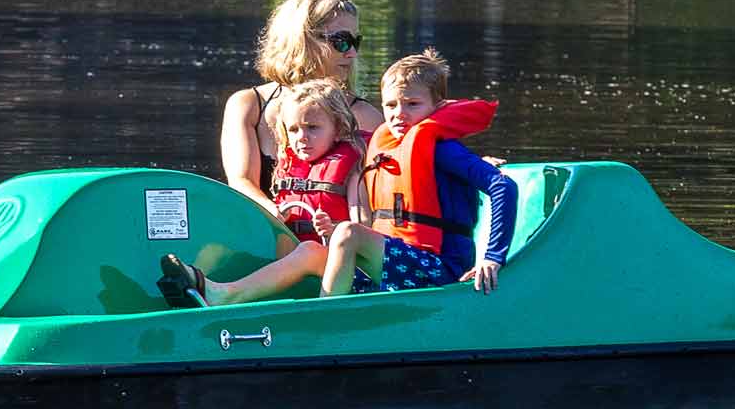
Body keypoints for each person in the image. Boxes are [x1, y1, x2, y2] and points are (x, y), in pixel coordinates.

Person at [163, 49, 514, 307]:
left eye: (412, 105)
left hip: (440, 271)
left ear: (437, 107)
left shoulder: (444, 150)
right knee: (311, 251)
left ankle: (326, 318)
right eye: (390, 105)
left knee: (347, 233)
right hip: (399, 265)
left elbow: (502, 187)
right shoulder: (392, 147)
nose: (398, 115)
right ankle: (221, 295)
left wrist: (492, 257)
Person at [221, 0, 383, 224]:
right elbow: (241, 181)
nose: (352, 54)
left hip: (330, 249)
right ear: (302, 39)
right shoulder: (248, 106)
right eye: (341, 41)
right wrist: (275, 214)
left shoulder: (365, 117)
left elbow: (375, 205)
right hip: (263, 233)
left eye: (354, 42)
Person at [265, 79, 368, 244]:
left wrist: (333, 229)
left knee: (309, 251)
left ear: (339, 129)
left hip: (328, 254)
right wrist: (274, 213)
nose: (302, 137)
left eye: (312, 127)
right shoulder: (287, 162)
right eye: (293, 129)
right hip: (289, 252)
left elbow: (362, 227)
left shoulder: (354, 167)